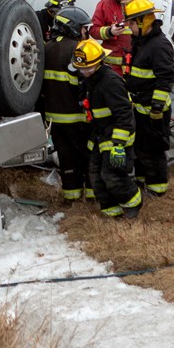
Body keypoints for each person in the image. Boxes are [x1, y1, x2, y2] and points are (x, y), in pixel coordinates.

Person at [73, 39, 141, 220]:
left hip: (117, 137)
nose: (84, 72)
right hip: (101, 136)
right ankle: (111, 211)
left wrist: (119, 144)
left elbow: (125, 114)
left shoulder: (110, 82)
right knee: (96, 175)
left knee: (112, 175)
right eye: (81, 69)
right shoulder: (89, 80)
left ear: (99, 62)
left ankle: (133, 204)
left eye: (88, 68)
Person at [120, 0, 174, 197]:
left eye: (132, 23)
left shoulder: (159, 45)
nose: (130, 27)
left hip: (153, 111)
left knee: (154, 151)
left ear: (144, 21)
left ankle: (157, 189)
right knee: (140, 149)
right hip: (139, 107)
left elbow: (166, 78)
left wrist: (157, 108)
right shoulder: (140, 41)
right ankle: (143, 183)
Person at [38, 6, 93, 202]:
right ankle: (93, 195)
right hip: (76, 116)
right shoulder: (77, 49)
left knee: (65, 157)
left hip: (54, 117)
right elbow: (81, 84)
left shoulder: (46, 48)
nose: (86, 33)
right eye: (84, 28)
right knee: (87, 156)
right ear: (73, 27)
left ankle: (71, 196)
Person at [90, 0, 135, 75]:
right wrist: (110, 31)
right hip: (111, 67)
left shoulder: (139, 4)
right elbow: (93, 30)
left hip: (134, 63)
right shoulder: (104, 5)